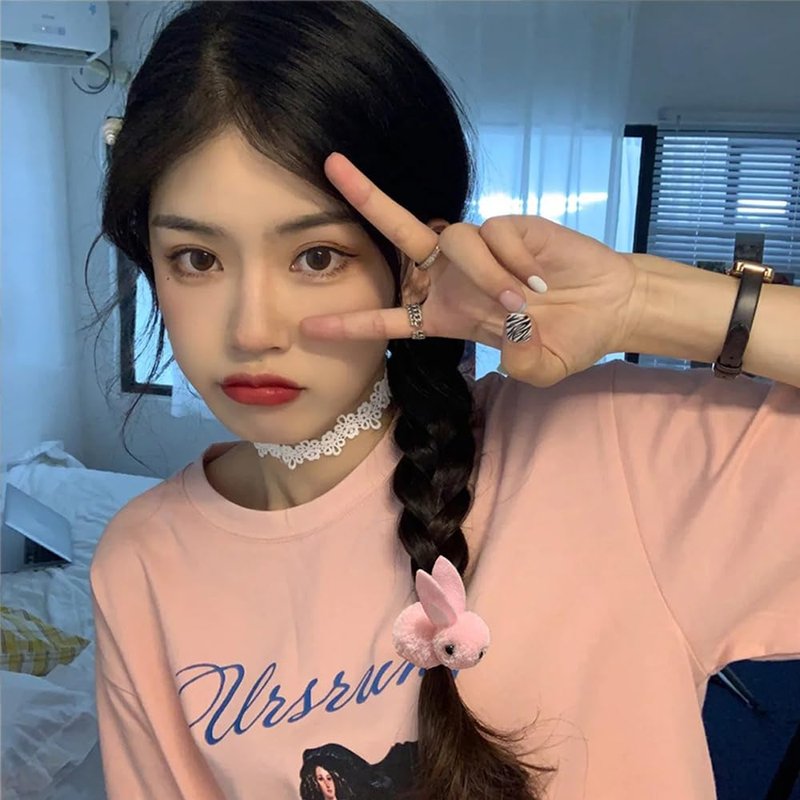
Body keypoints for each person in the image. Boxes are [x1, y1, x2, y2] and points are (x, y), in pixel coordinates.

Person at [86, 2, 800, 799]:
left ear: (410, 266)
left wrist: (644, 302)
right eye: (196, 258)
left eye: (317, 256)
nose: (251, 330)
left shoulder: (609, 453)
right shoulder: (142, 563)